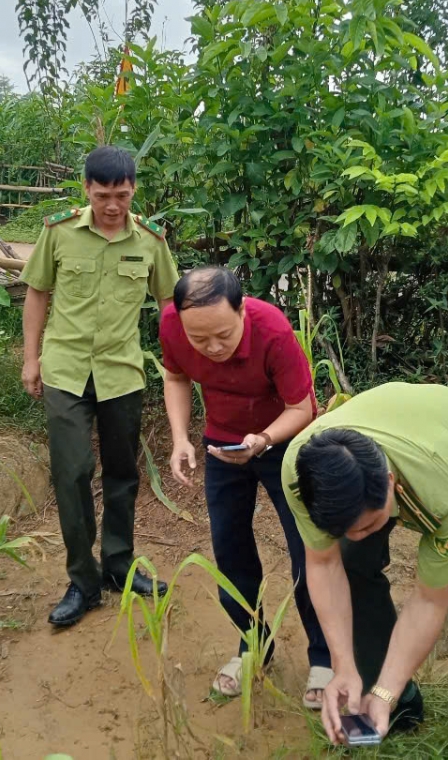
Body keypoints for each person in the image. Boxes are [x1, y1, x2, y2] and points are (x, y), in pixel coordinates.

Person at [281, 382, 448, 759]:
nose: (356, 535)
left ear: (390, 485)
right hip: (402, 436)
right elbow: (323, 564)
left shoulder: (445, 493)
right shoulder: (301, 474)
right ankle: (397, 696)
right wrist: (344, 666)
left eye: (367, 524)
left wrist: (383, 690)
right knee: (348, 560)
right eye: (345, 529)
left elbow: (429, 598)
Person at [20, 146, 179, 628]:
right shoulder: (60, 232)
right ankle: (83, 581)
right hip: (65, 370)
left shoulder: (151, 240)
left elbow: (171, 303)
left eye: (123, 195)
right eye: (104, 195)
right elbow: (37, 291)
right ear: (86, 188)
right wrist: (31, 359)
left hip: (121, 372)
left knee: (122, 474)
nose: (113, 206)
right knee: (71, 473)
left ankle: (119, 565)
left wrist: (183, 365)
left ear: (134, 190)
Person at [160, 267, 333, 707]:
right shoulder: (171, 326)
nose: (213, 349)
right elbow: (176, 377)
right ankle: (252, 646)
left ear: (242, 311)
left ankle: (324, 656)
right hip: (224, 445)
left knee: (306, 550)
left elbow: (302, 406)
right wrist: (181, 438)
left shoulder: (272, 329)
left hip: (284, 442)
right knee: (230, 548)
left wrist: (264, 441)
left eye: (223, 335)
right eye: (201, 339)